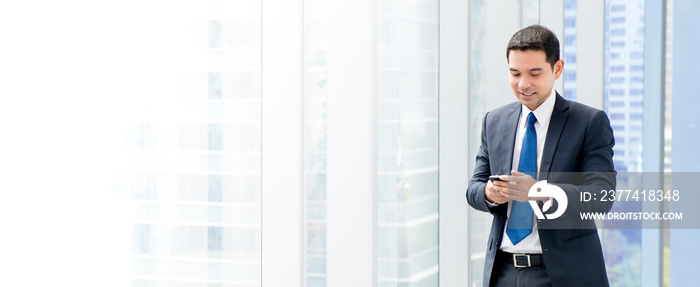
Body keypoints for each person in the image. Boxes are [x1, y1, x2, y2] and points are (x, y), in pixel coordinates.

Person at [466, 25, 616, 287]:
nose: (523, 84)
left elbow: (601, 195)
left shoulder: (589, 122)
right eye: (515, 73)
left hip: (564, 274)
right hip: (502, 271)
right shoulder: (494, 121)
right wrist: (490, 193)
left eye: (535, 73)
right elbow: (474, 189)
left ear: (557, 69)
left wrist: (538, 192)